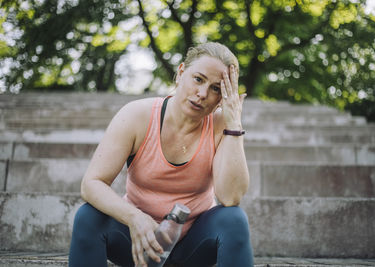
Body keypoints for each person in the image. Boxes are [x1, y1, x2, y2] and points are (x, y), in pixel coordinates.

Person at [69, 42, 254, 267]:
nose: (203, 94)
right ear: (180, 73)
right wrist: (134, 217)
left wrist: (233, 122)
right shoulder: (137, 115)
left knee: (234, 219)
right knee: (88, 216)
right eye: (198, 79)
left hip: (193, 247)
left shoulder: (220, 126)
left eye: (216, 88)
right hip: (138, 242)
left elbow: (230, 197)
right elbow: (91, 184)